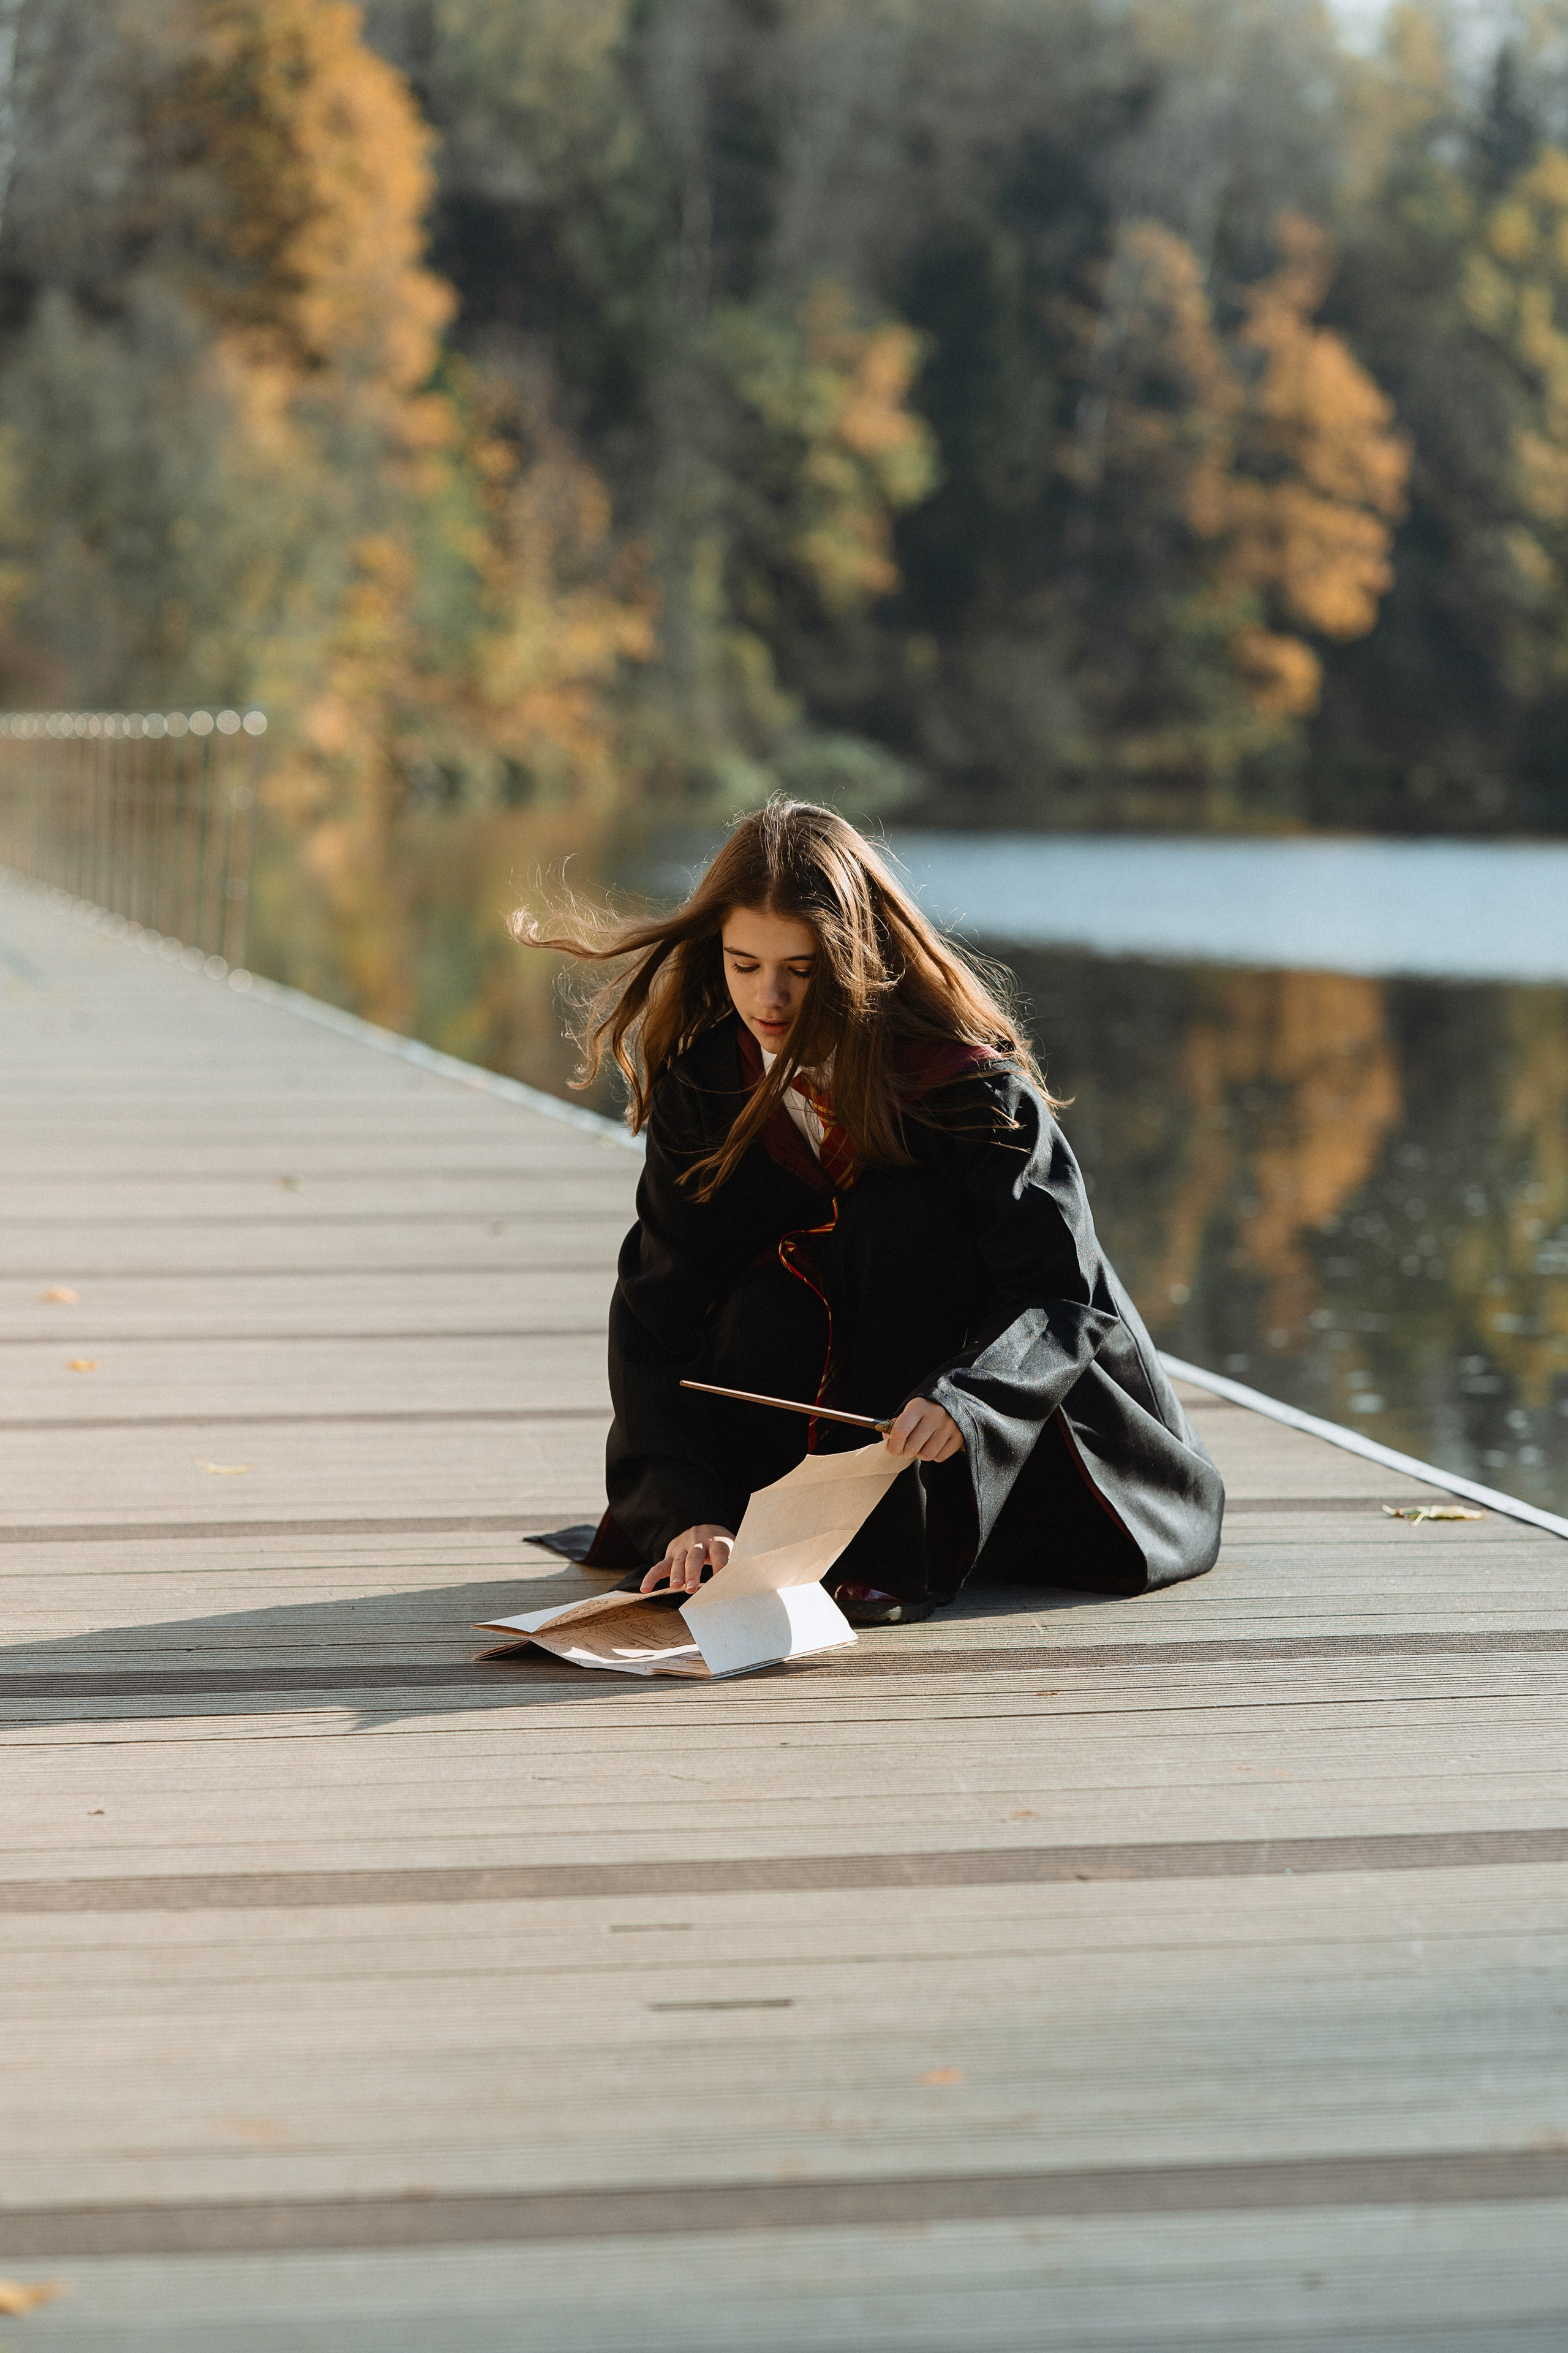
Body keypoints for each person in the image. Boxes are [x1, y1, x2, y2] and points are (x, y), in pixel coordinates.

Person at [516, 798, 1223, 1626]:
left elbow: (1060, 1293)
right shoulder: (704, 1086)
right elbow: (656, 1311)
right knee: (758, 1287)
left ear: (853, 958)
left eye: (801, 970)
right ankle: (767, 1532)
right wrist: (683, 1509)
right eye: (743, 965)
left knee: (895, 1221)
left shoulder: (971, 1091)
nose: (767, 998)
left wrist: (969, 1400)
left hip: (992, 1428)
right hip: (800, 1418)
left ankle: (895, 1550)